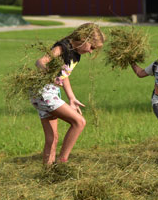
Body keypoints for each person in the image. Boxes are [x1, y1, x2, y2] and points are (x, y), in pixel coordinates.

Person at [31, 23, 105, 165]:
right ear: (84, 38)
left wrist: (71, 97)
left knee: (52, 138)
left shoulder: (76, 54)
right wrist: (49, 75)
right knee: (79, 122)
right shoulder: (62, 47)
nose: (91, 51)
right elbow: (40, 61)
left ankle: (48, 173)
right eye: (92, 47)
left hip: (45, 94)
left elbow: (65, 75)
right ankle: (62, 163)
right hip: (44, 92)